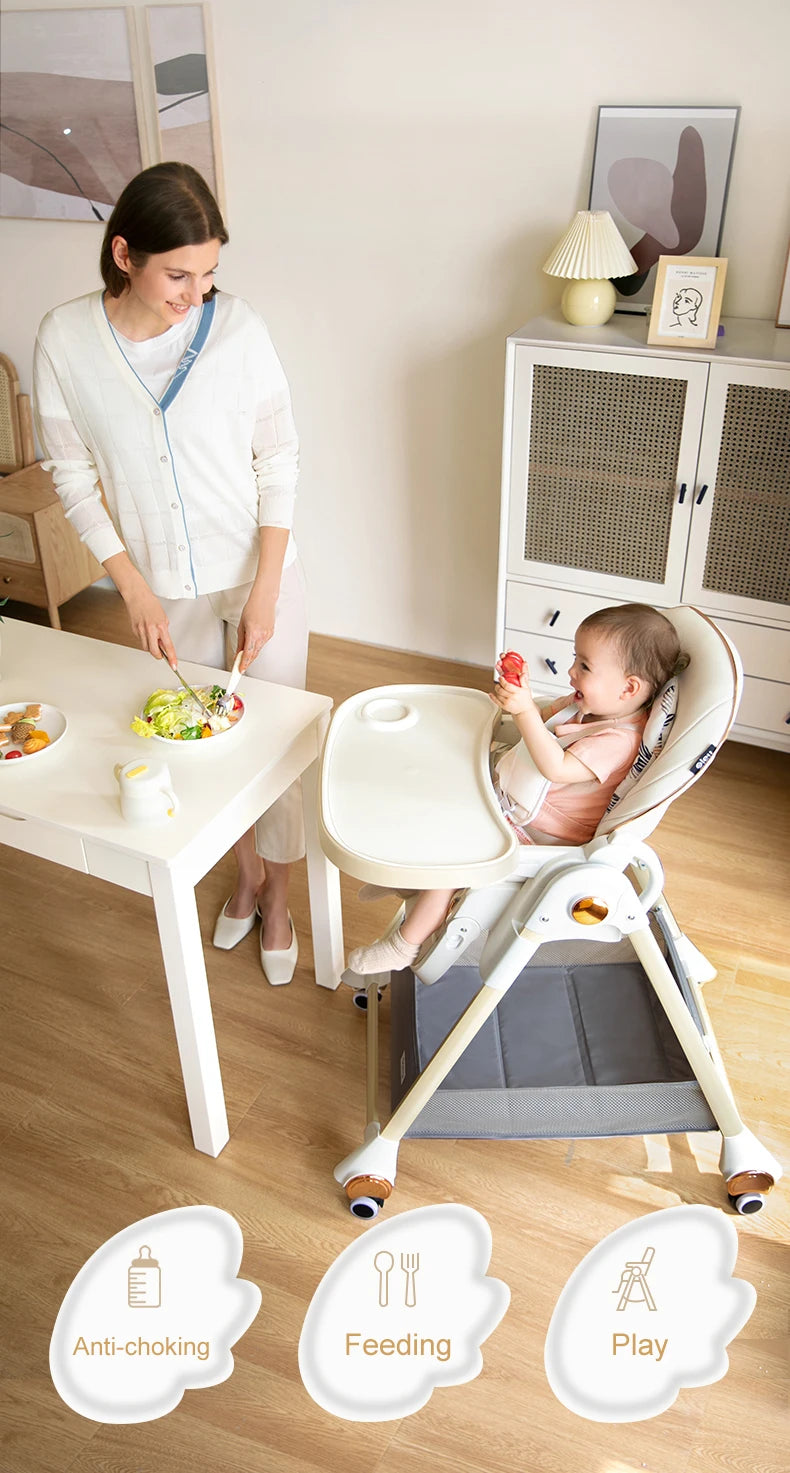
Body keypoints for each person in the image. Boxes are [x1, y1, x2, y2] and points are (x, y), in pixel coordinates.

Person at [33, 162, 306, 984]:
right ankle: (248, 874)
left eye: (211, 271)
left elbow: (279, 455)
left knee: (278, 736)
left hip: (260, 563)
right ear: (125, 255)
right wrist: (131, 584)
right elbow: (71, 473)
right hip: (161, 578)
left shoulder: (239, 329)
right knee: (196, 734)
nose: (198, 291)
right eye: (178, 274)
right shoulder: (66, 340)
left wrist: (266, 588)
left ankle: (282, 894)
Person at [348, 603, 688, 975]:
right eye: (576, 659)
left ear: (629, 688)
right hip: (509, 804)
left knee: (455, 852)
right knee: (438, 796)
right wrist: (519, 696)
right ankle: (409, 874)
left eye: (585, 666)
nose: (572, 672)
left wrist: (524, 712)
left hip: (538, 838)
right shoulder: (587, 707)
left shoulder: (617, 741)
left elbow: (556, 768)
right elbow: (540, 722)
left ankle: (404, 945)